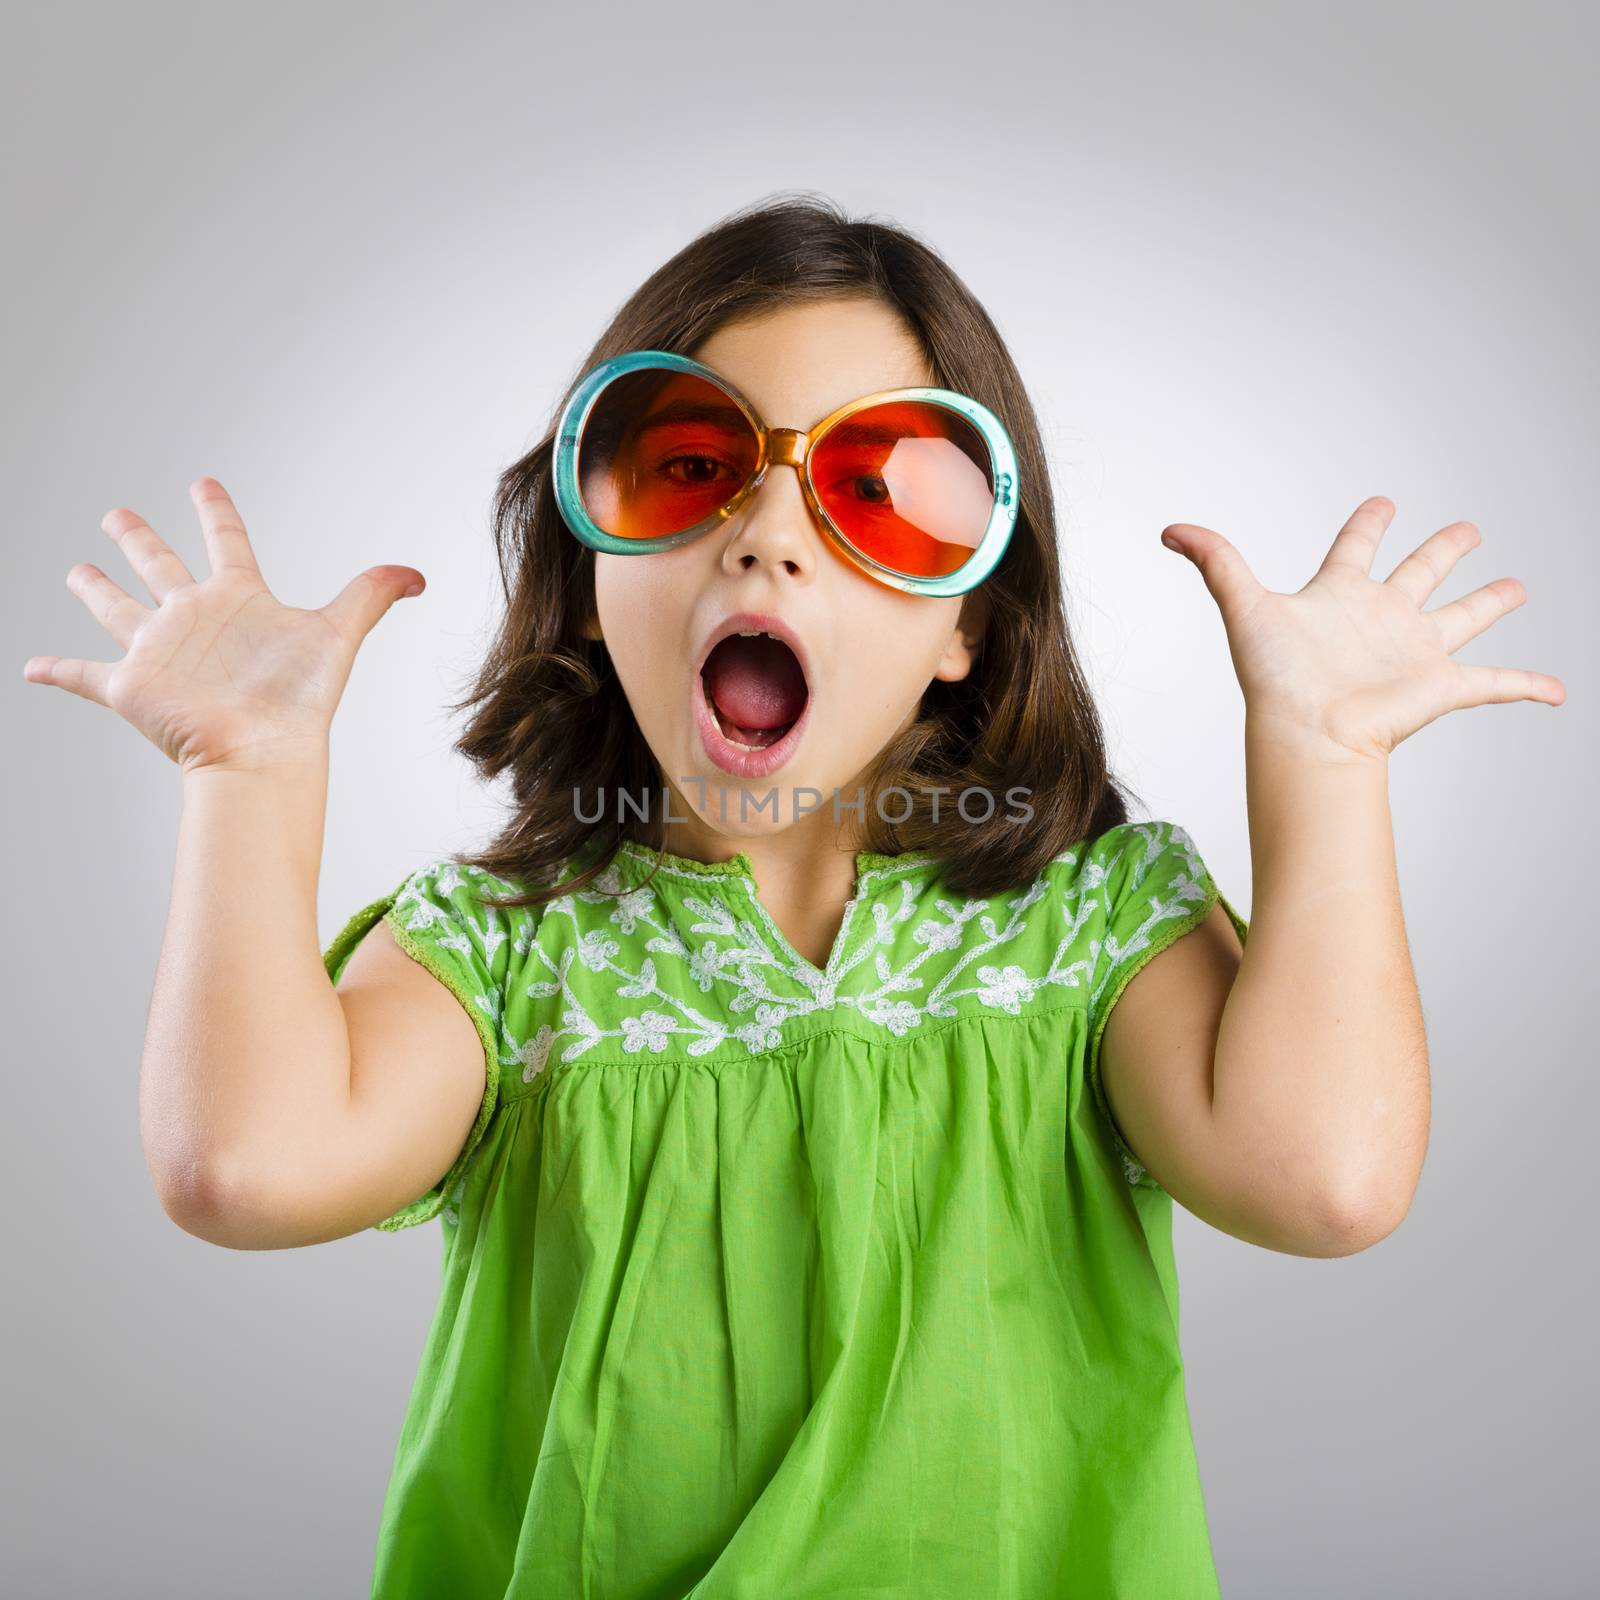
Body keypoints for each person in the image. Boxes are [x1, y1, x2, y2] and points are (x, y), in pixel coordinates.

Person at [23, 193, 1564, 1598]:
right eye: (690, 467)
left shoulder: (1086, 927)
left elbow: (1326, 1181)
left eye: (881, 493)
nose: (766, 534)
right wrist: (248, 776)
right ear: (588, 572)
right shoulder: (508, 961)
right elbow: (240, 1167)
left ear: (968, 625)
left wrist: (1323, 760)